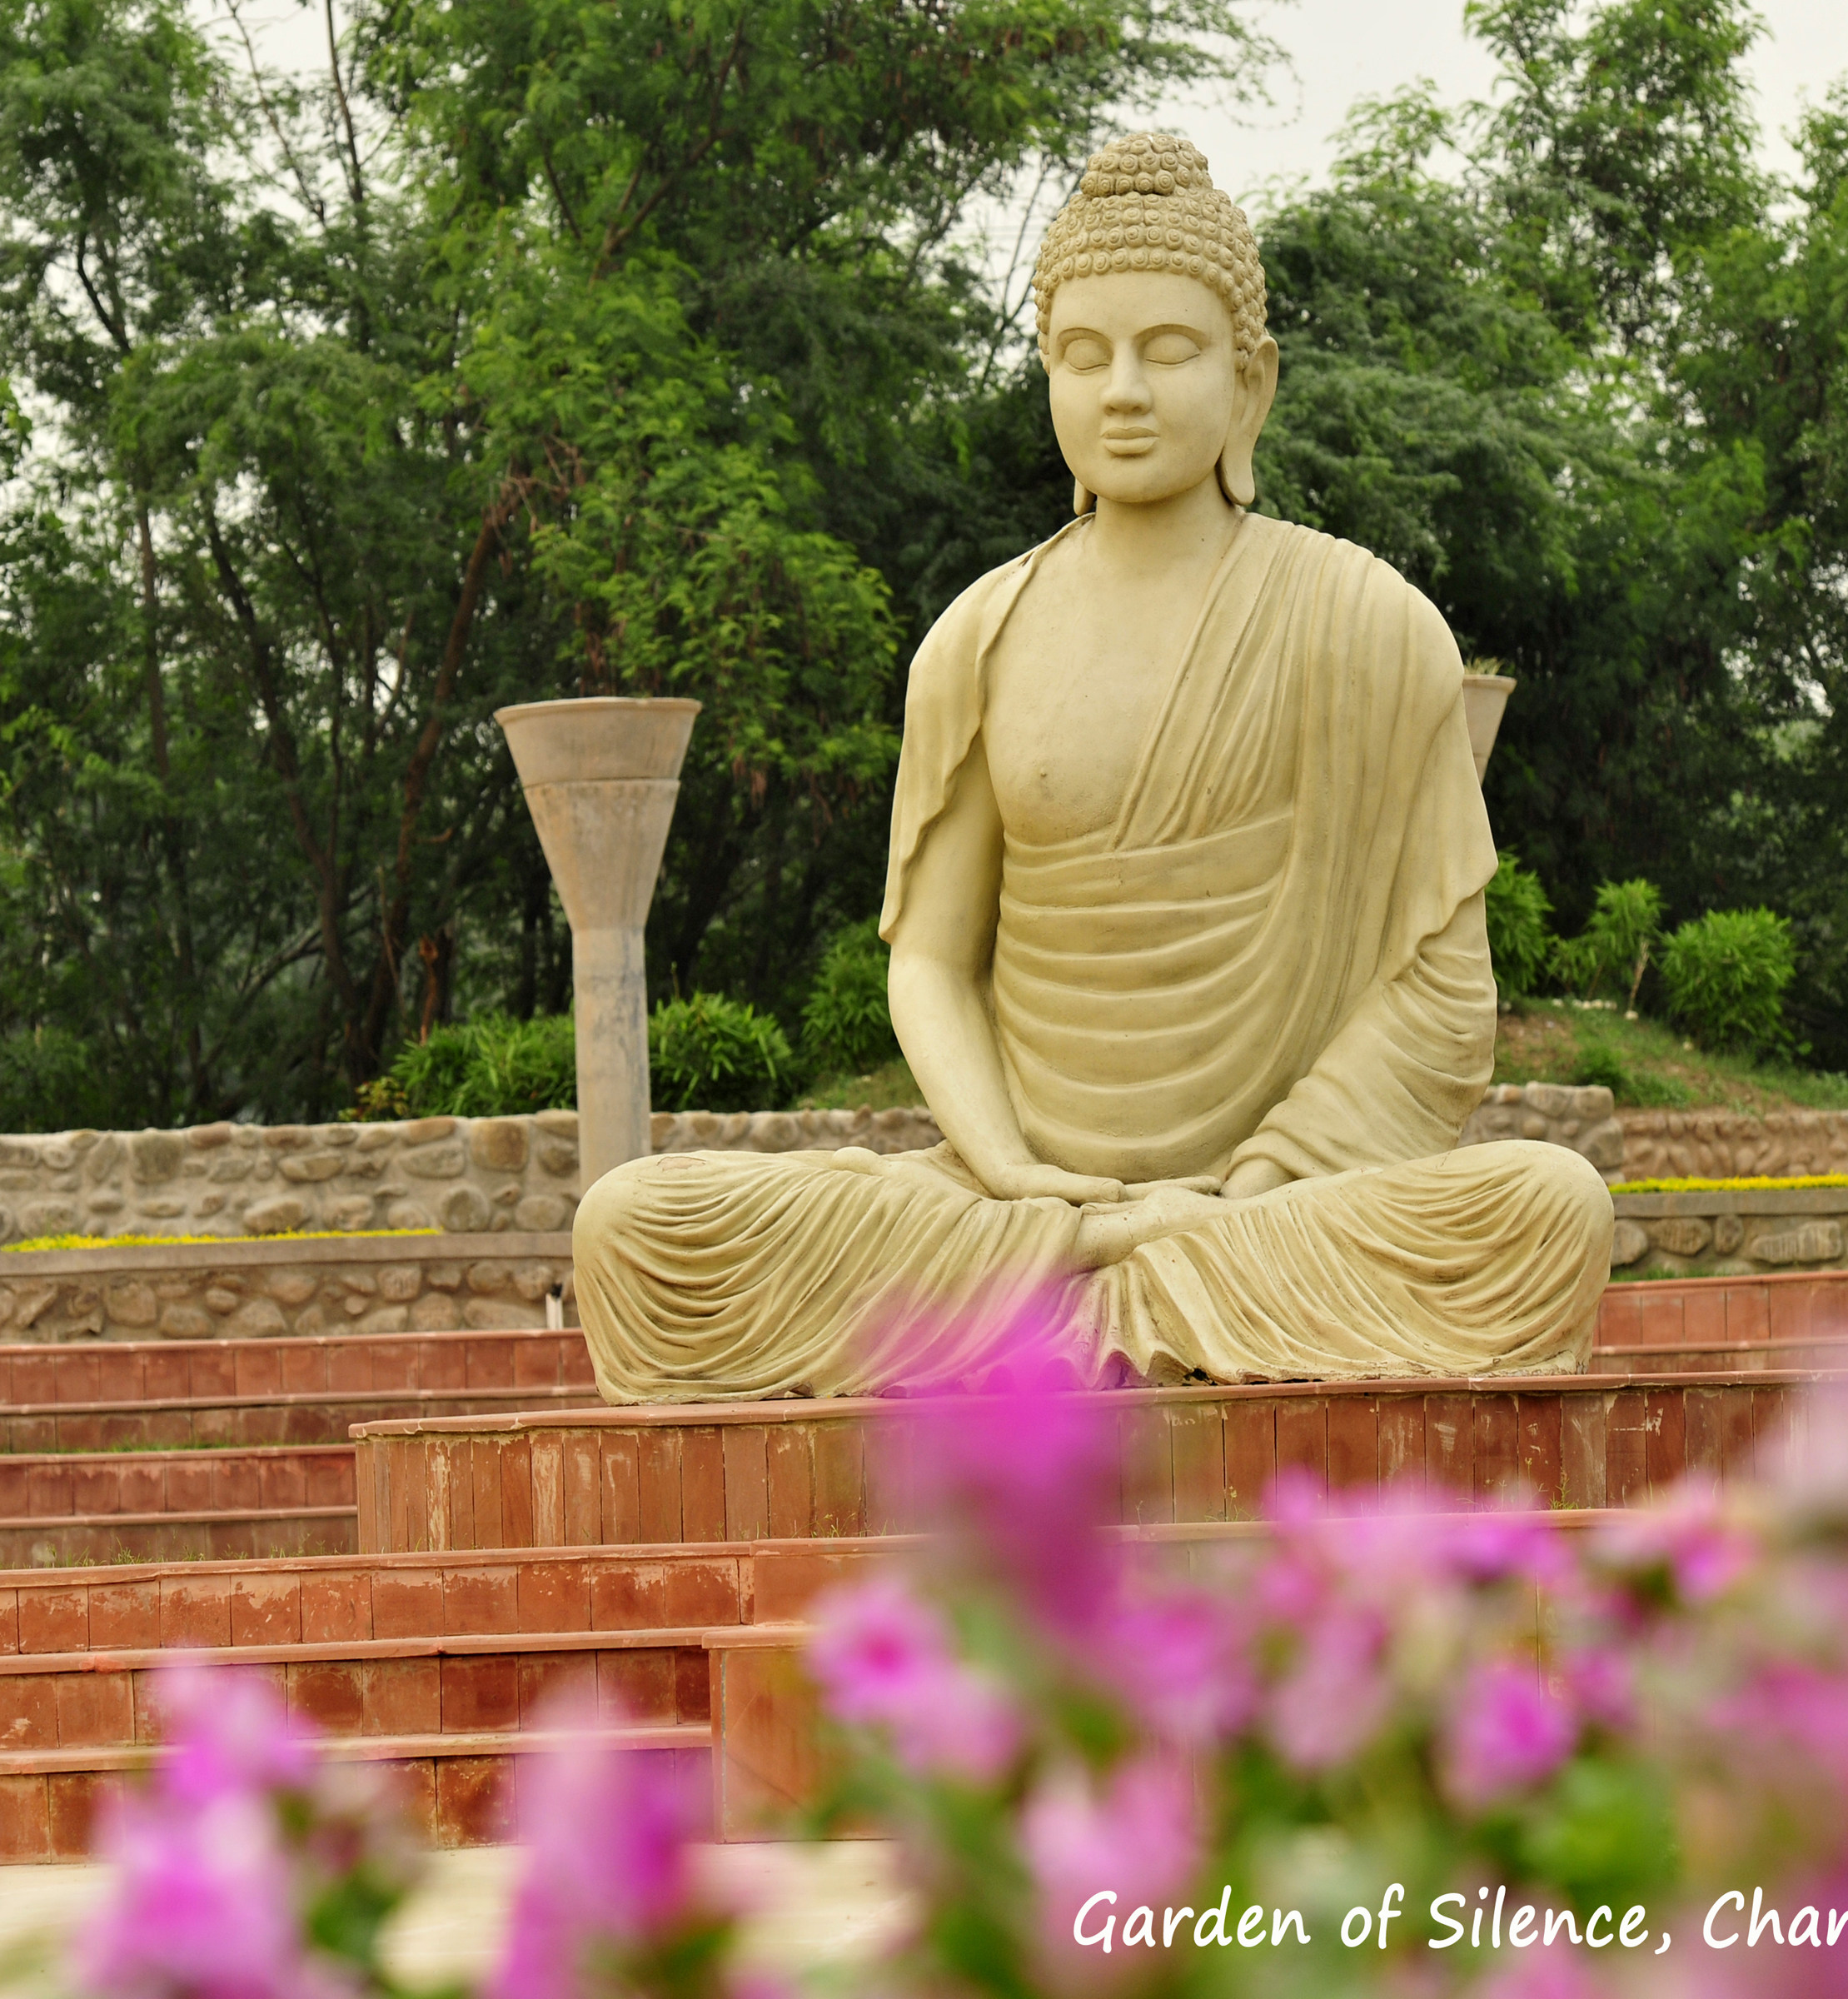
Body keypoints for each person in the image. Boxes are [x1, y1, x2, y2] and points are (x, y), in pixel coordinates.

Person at [574, 133, 1612, 1402]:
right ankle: (1104, 1269)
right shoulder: (978, 639)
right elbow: (933, 961)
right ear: (1048, 377)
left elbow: (1439, 996)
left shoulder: (1369, 624)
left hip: (1273, 1203)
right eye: (1084, 354)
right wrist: (1011, 1173)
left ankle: (1101, 1288)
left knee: (1546, 1208)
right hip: (1019, 1202)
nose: (1123, 390)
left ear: (1253, 383)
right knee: (634, 1229)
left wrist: (1255, 1186)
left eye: (1169, 352)